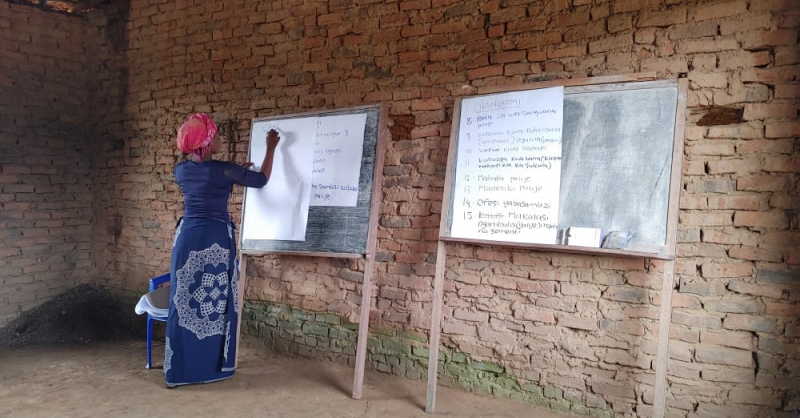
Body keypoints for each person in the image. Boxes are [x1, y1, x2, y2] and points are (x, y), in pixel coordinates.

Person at [164, 113, 279, 387]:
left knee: (184, 303)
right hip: (215, 239)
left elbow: (207, 179)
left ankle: (179, 372)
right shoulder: (225, 170)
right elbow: (261, 180)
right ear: (205, 141)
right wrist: (271, 147)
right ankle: (213, 368)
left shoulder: (181, 170)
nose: (219, 140)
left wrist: (232, 172)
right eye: (215, 136)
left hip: (188, 240)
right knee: (215, 302)